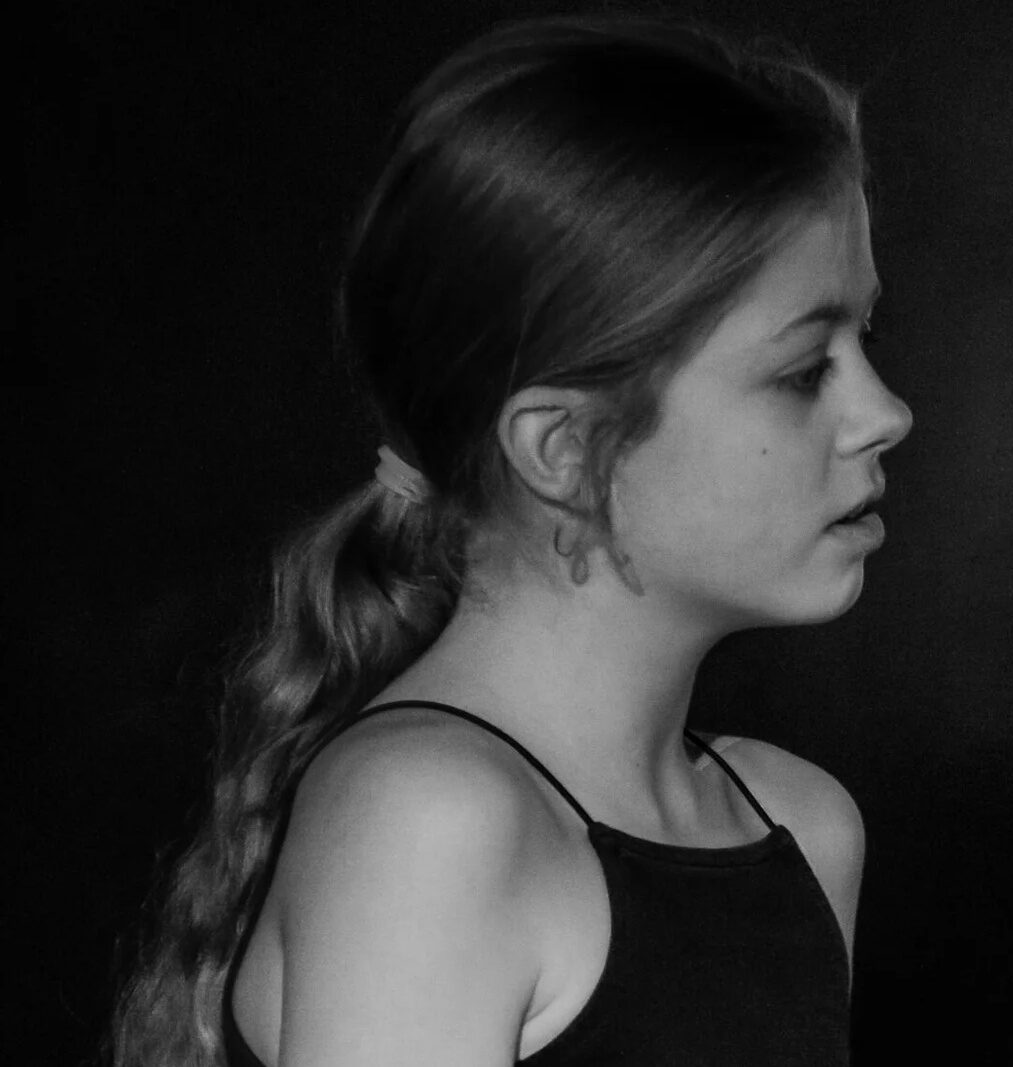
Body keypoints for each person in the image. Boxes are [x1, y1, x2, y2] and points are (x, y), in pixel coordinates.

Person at [111, 13, 911, 1066]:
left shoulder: (802, 825)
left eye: (865, 337)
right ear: (563, 448)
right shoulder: (430, 823)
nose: (884, 412)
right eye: (803, 369)